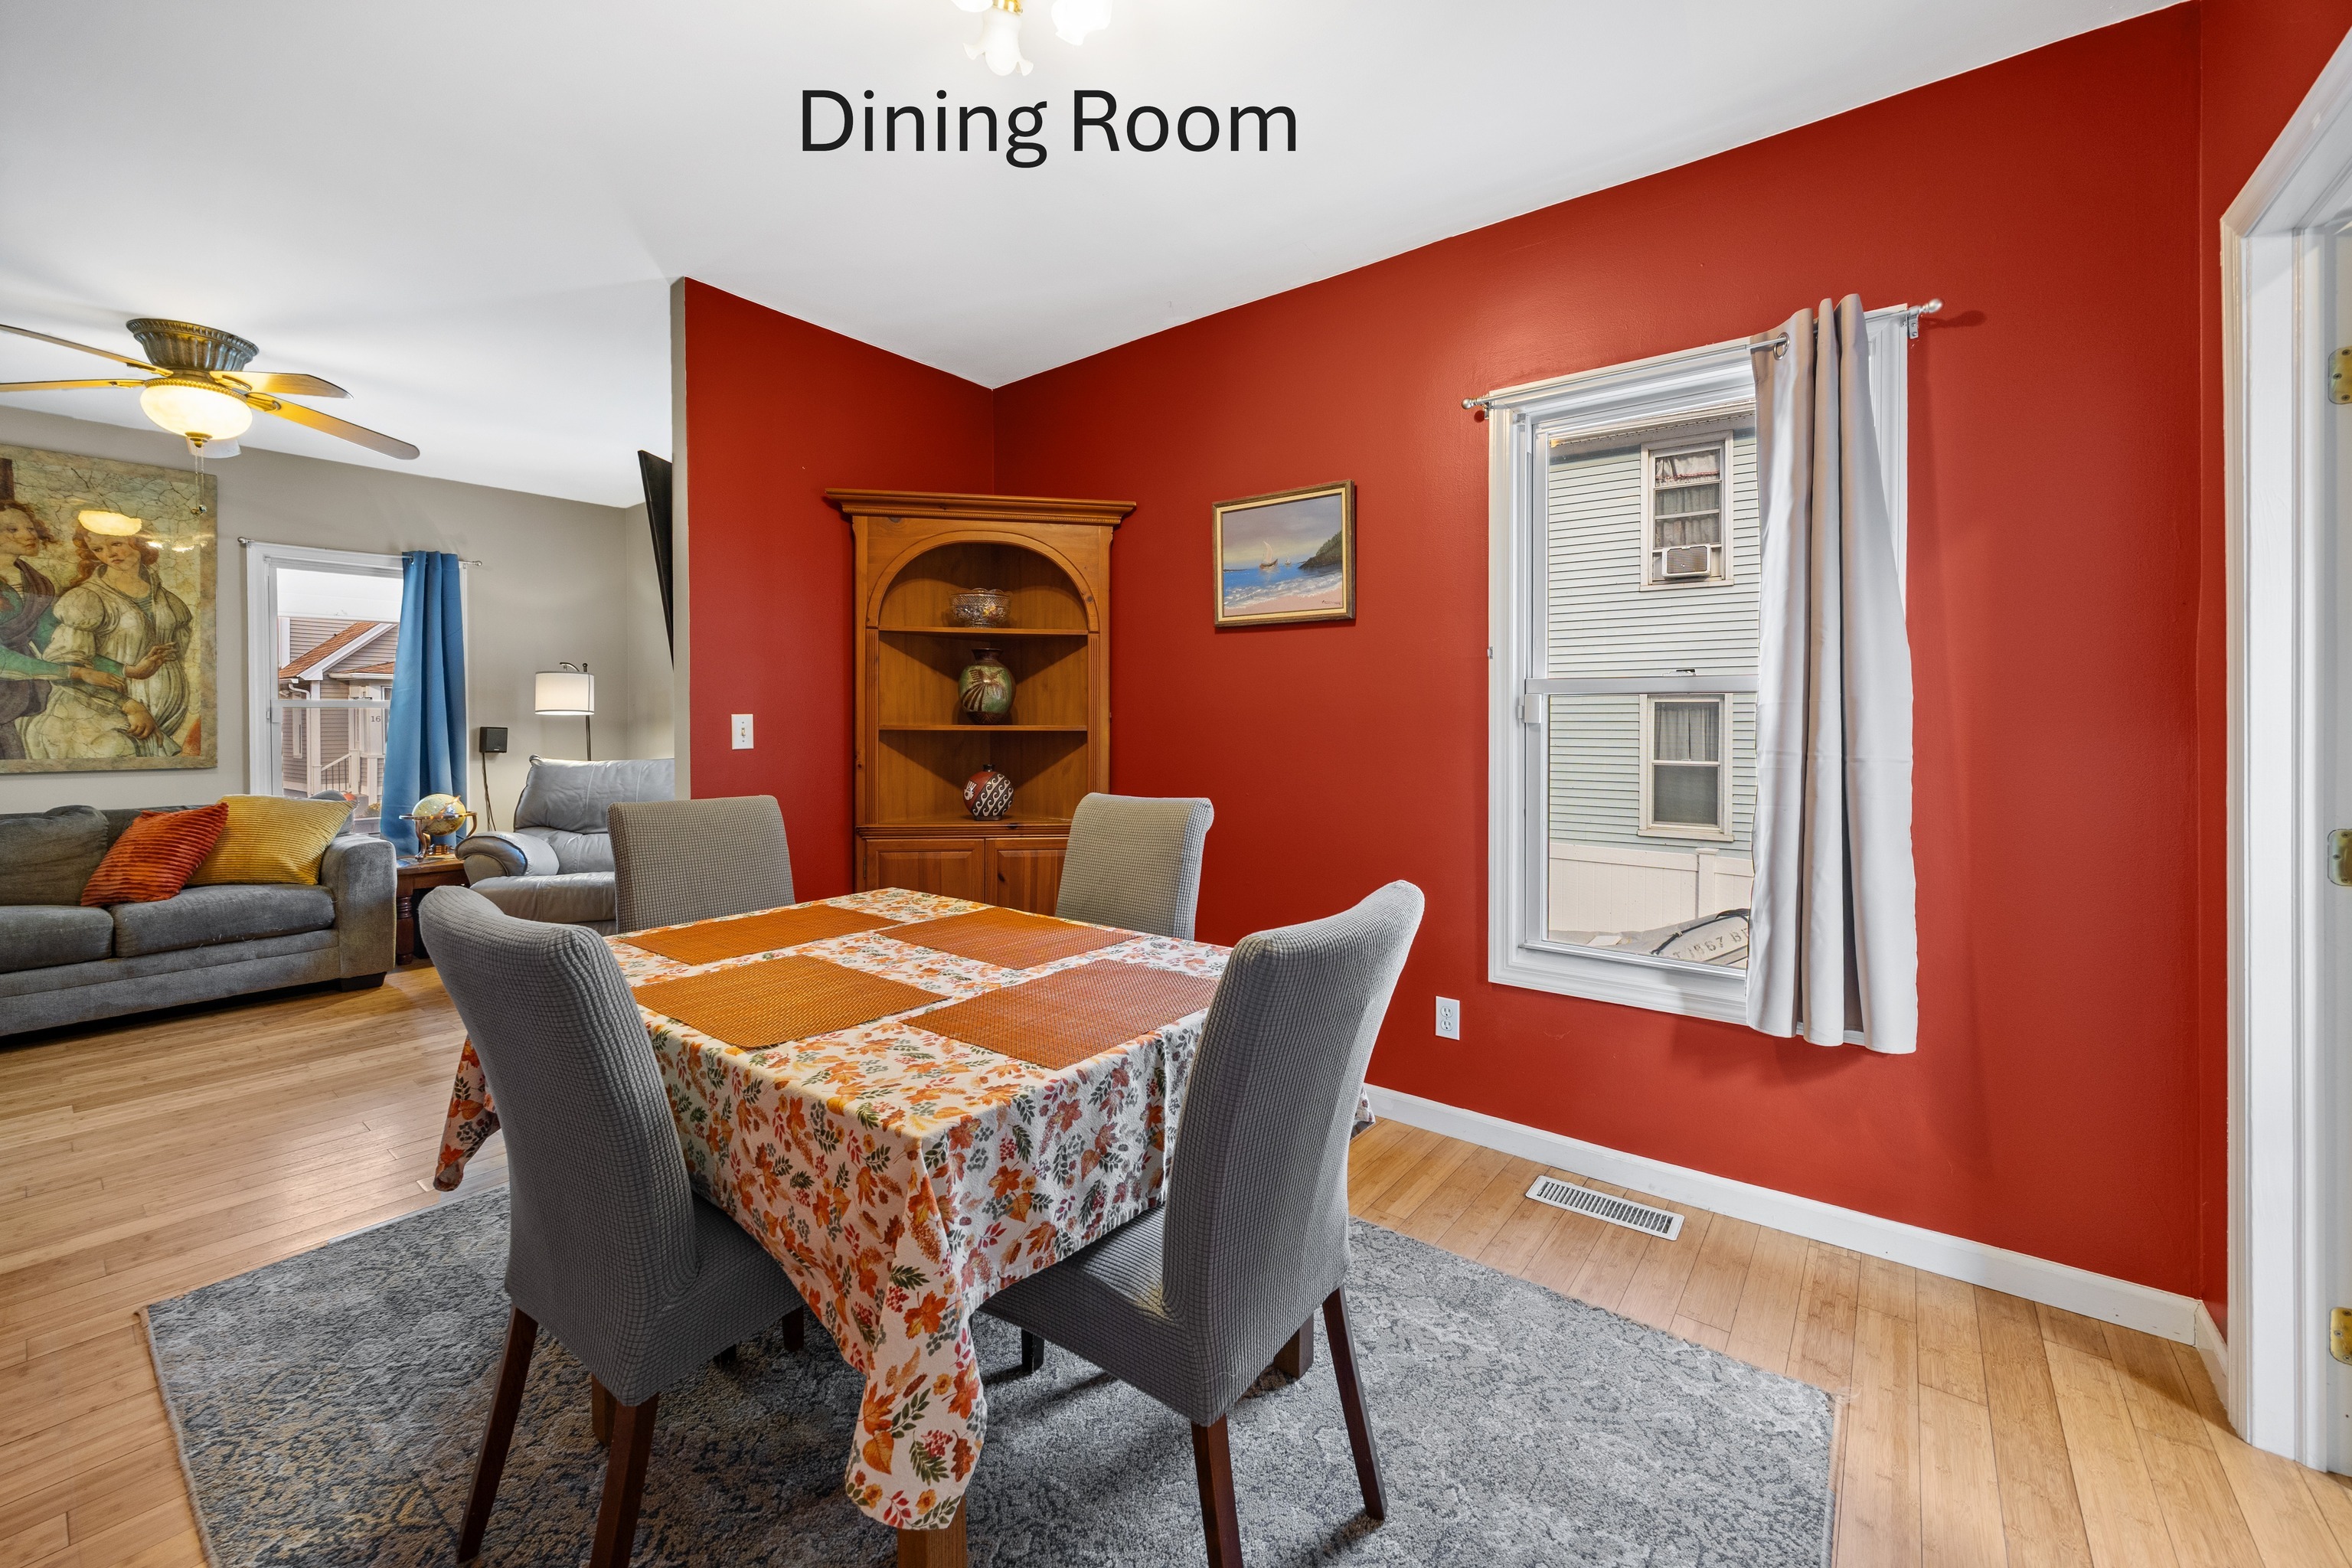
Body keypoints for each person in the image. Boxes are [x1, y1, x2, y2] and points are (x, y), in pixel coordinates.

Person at [21, 523, 190, 761]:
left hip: (159, 718)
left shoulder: (169, 601)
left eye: (116, 544)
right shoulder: (86, 599)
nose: (109, 554)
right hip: (94, 716)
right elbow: (65, 665)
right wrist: (127, 703)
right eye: (98, 549)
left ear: (139, 543)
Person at [0, 499, 126, 760]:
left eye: (31, 528)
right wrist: (76, 673)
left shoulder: (38, 582)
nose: (28, 535)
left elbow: (54, 641)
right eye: (12, 530)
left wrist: (122, 669)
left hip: (26, 689)